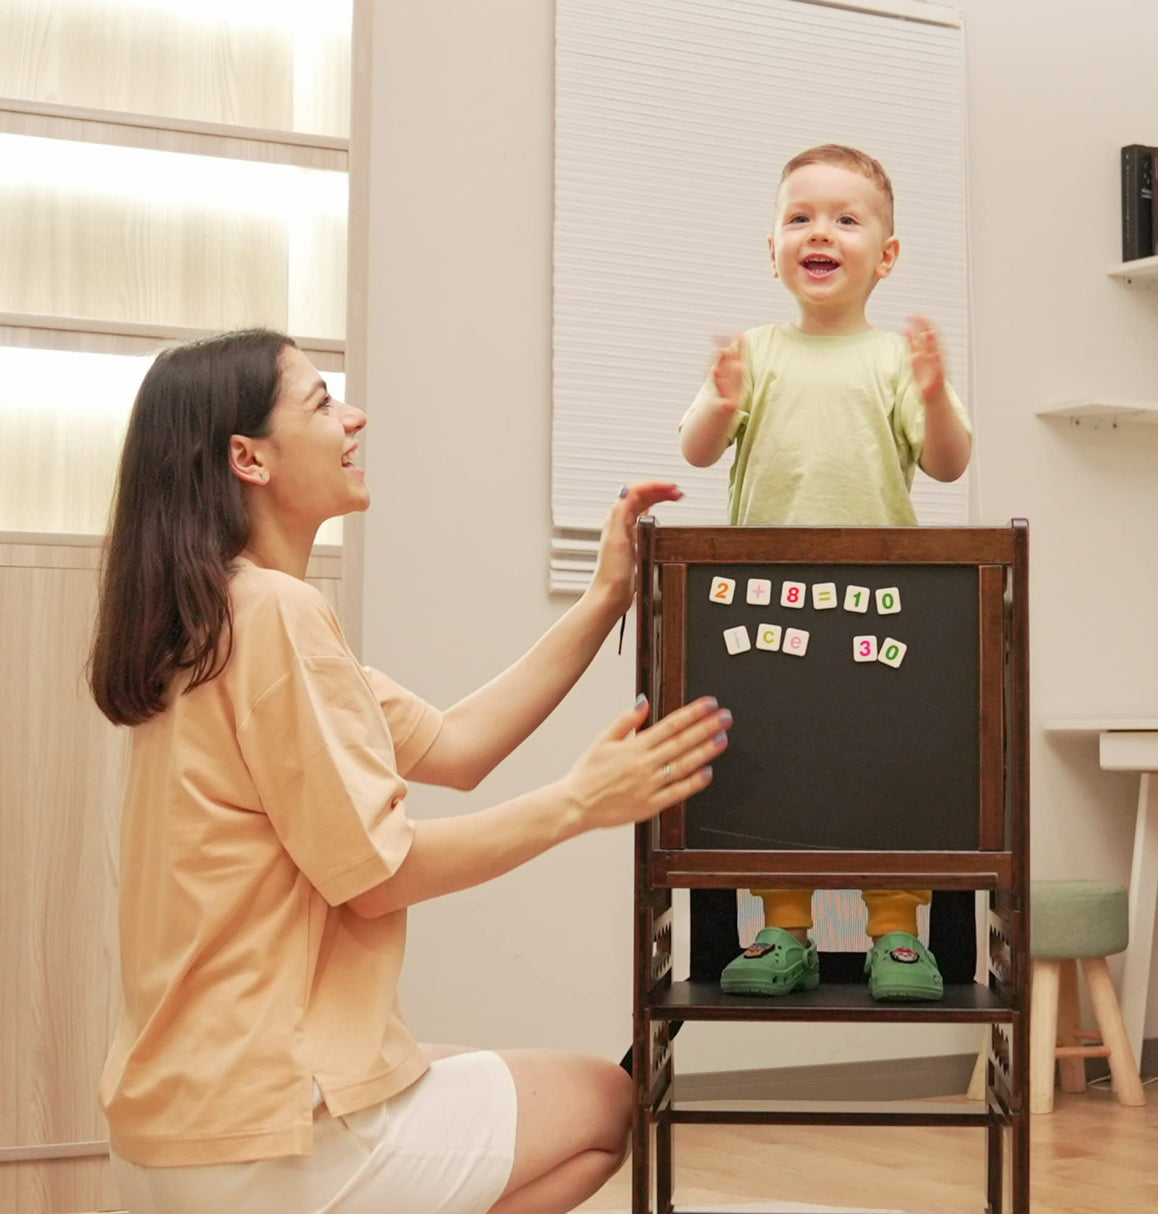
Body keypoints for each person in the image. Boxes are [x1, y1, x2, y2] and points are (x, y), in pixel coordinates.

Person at [88, 328, 732, 1214]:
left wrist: (603, 597)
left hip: (174, 1123)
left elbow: (459, 746)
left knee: (449, 1064)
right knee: (607, 1104)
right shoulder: (277, 615)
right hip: (265, 1136)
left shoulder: (209, 616)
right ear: (249, 458)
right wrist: (581, 801)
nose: (354, 417)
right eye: (321, 403)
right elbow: (378, 878)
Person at [678, 144, 971, 1002]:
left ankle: (896, 933)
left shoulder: (891, 359)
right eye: (801, 217)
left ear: (886, 256)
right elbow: (695, 449)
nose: (821, 232)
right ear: (770, 246)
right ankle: (784, 929)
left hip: (881, 604)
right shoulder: (760, 353)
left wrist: (938, 391)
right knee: (777, 764)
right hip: (766, 605)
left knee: (885, 762)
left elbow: (949, 466)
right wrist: (722, 399)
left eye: (847, 219)